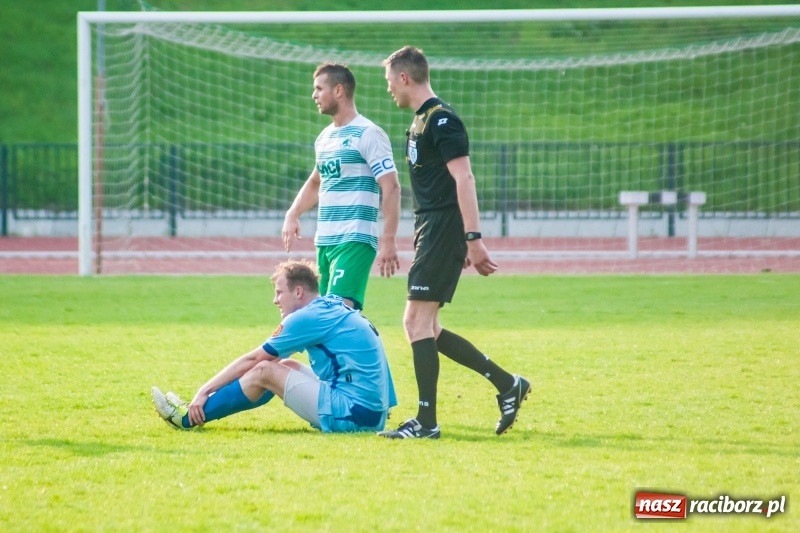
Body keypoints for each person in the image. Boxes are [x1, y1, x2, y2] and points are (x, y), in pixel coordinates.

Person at [377, 46, 530, 440]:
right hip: (433, 227)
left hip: (444, 227)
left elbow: (465, 180)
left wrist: (472, 239)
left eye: (390, 81)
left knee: (415, 322)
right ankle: (507, 384)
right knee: (428, 327)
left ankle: (427, 423)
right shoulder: (418, 122)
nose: (389, 89)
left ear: (405, 78)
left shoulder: (442, 120)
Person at [151, 259, 397, 433]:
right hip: (371, 412)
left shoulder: (305, 318)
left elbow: (254, 360)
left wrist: (204, 390)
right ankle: (198, 409)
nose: (275, 300)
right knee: (285, 363)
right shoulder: (332, 304)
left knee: (264, 370)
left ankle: (186, 418)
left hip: (355, 415)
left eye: (279, 292)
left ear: (298, 291)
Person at [282, 62, 401, 310]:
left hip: (355, 238)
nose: (314, 95)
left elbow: (391, 186)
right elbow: (316, 182)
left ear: (338, 91)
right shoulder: (324, 138)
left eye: (319, 88)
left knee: (335, 313)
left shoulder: (369, 133)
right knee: (326, 316)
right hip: (325, 241)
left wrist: (388, 238)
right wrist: (293, 213)